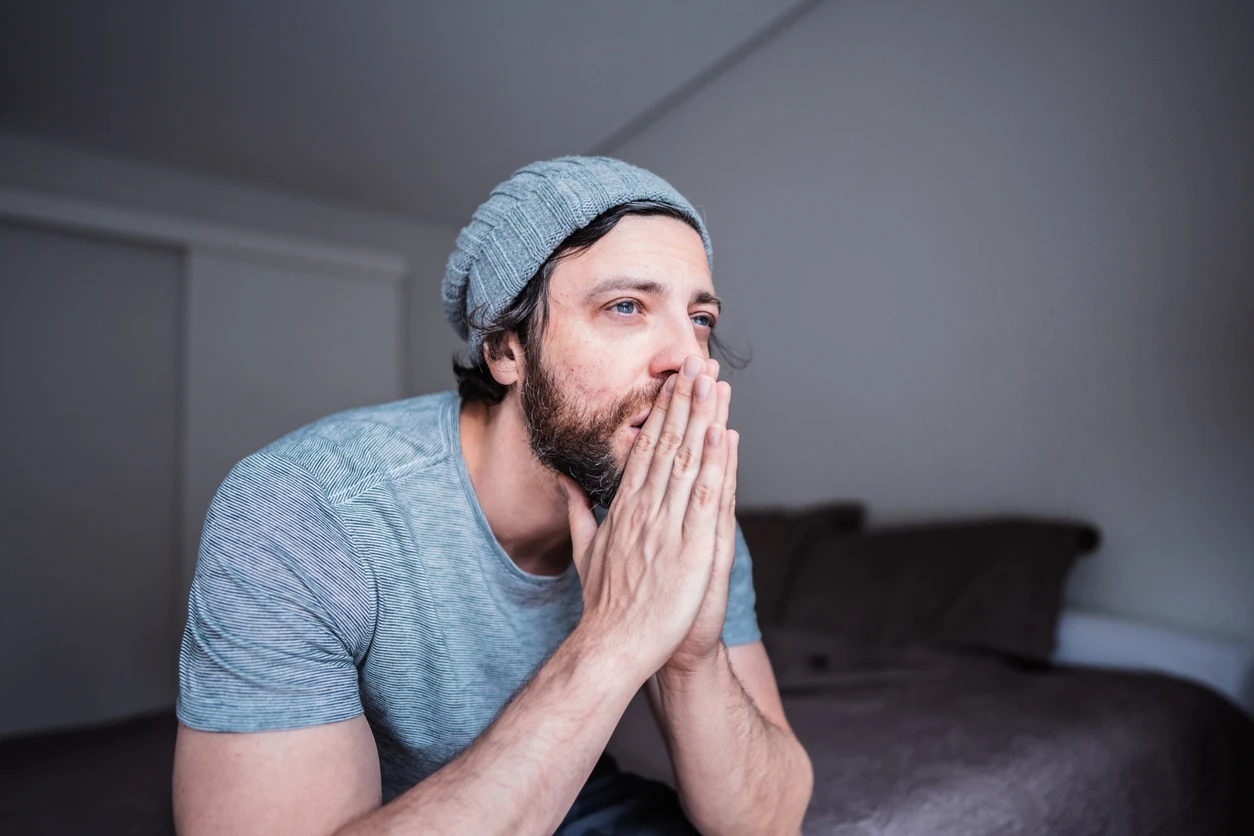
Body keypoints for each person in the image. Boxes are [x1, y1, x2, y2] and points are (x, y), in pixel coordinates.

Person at [172, 156, 813, 835]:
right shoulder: (301, 510)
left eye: (701, 317)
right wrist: (615, 640)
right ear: (506, 348)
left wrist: (690, 655)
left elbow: (767, 824)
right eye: (626, 306)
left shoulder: (676, 510)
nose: (691, 359)